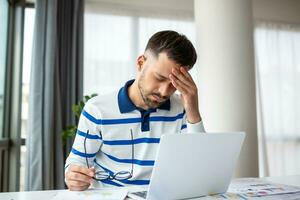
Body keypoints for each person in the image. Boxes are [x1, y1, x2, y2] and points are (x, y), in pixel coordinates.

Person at [64, 30, 205, 191]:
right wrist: (74, 176)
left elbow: (198, 166)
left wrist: (193, 109)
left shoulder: (182, 108)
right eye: (159, 78)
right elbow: (77, 162)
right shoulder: (97, 109)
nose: (164, 91)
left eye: (175, 83)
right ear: (140, 63)